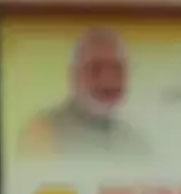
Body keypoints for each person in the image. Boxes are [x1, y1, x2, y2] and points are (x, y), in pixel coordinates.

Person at [19, 28, 147, 158]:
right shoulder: (42, 133)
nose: (108, 80)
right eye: (95, 68)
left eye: (117, 69)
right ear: (74, 76)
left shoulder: (135, 143)